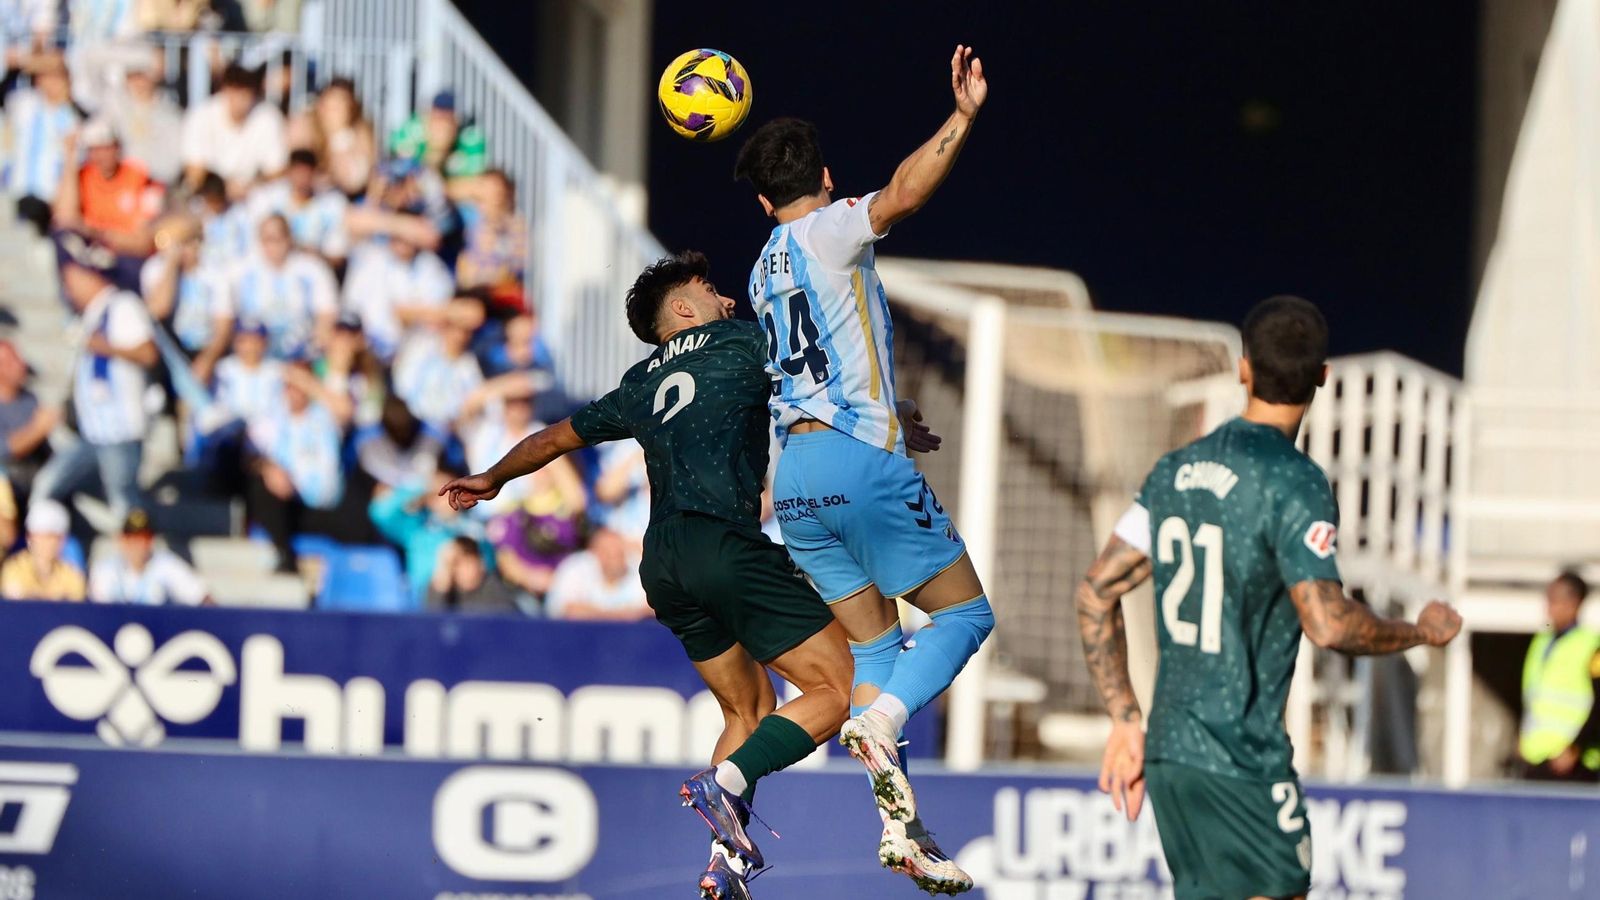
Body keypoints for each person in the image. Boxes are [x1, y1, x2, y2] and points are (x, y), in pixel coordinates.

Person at [442, 252, 861, 899]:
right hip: (724, 543)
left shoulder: (641, 383)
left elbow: (553, 438)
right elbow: (823, 378)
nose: (728, 299)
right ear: (685, 311)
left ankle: (725, 859)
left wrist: (492, 478)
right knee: (838, 686)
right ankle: (718, 785)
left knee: (748, 708)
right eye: (713, 289)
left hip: (662, 560)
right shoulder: (740, 342)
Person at [1076, 296, 1463, 900]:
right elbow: (1330, 624)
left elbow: (1097, 591)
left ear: (1243, 368)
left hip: (1172, 755)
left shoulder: (1177, 469)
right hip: (1242, 757)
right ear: (1323, 376)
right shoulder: (1294, 480)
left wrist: (1127, 719)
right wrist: (1419, 632)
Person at [734, 44, 990, 891]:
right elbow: (906, 194)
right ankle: (881, 725)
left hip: (798, 479)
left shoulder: (764, 268)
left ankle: (901, 827)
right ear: (826, 178)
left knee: (878, 650)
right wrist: (962, 117)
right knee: (964, 617)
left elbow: (816, 368)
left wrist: (892, 412)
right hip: (856, 464)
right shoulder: (831, 227)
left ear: (763, 198)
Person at [33, 242, 158, 522]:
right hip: (92, 430)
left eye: (72, 277)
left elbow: (148, 353)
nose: (68, 287)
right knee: (48, 486)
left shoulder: (123, 305)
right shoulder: (92, 314)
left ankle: (139, 561)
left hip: (119, 429)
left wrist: (107, 347)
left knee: (125, 504)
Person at [243, 361, 349, 572]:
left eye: (302, 385)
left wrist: (306, 381)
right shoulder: (272, 419)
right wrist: (268, 468)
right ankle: (285, 557)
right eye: (291, 385)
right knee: (261, 488)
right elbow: (249, 455)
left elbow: (345, 409)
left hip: (329, 508)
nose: (296, 391)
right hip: (291, 506)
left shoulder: (325, 417)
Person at [52, 119, 163, 284]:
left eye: (106, 147)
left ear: (117, 147)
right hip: (92, 258)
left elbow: (145, 240)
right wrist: (70, 158)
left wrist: (99, 234)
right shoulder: (83, 176)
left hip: (129, 260)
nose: (101, 155)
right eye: (94, 149)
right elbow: (64, 219)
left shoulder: (139, 177)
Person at [1518, 571, 1600, 782]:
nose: (1548, 607)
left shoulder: (1592, 645)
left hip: (1573, 763)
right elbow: (1535, 699)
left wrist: (1575, 747)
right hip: (1536, 757)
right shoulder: (1542, 641)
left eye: (1554, 600)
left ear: (1574, 603)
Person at [370, 464, 486, 604]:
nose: (446, 499)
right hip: (425, 604)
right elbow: (380, 513)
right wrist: (422, 484)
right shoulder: (418, 529)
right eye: (438, 494)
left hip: (471, 601)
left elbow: (488, 561)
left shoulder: (475, 529)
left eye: (452, 490)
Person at [231, 213, 338, 360]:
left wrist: (315, 348)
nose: (272, 246)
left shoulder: (312, 269)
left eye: (277, 239)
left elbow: (326, 315)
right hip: (257, 357)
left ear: (288, 238)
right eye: (267, 239)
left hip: (302, 355)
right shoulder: (243, 273)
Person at [143, 213, 233, 383]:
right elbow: (159, 309)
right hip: (169, 352)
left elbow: (223, 327)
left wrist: (207, 360)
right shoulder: (154, 269)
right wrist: (171, 264)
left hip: (205, 350)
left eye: (185, 242)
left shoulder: (216, 274)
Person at [339, 233, 454, 361]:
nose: (404, 245)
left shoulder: (430, 265)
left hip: (409, 351)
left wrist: (408, 314)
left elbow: (438, 318)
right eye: (399, 238)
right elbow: (350, 309)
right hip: (364, 349)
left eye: (409, 238)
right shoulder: (371, 257)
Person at [180, 63, 287, 197]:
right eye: (235, 88)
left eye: (246, 88)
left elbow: (276, 170)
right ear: (225, 89)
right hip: (208, 195)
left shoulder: (268, 116)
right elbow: (194, 172)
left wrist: (251, 186)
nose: (240, 97)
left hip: (252, 196)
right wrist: (224, 188)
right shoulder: (201, 115)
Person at [4, 52, 81, 236]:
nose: (50, 82)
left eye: (56, 77)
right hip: (14, 190)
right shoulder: (24, 103)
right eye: (44, 76)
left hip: (48, 197)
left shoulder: (71, 117)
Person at [247, 148, 349, 267]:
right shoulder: (267, 199)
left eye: (306, 173)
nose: (301, 179)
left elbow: (338, 256)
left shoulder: (331, 204)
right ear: (288, 173)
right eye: (297, 172)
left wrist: (315, 256)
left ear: (315, 173)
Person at [88, 507, 209, 605]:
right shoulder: (105, 569)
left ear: (151, 541)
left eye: (143, 539)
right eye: (132, 539)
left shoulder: (166, 565)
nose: (137, 545)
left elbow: (201, 596)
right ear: (122, 540)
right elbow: (97, 608)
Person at [287, 76, 376, 198]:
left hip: (344, 201)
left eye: (340, 105)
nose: (333, 110)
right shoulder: (305, 124)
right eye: (330, 104)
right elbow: (296, 169)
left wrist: (339, 138)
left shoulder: (360, 132)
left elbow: (354, 182)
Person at [102, 51, 182, 184]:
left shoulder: (171, 114)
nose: (138, 82)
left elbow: (173, 162)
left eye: (142, 75)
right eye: (132, 76)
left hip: (157, 184)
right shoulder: (115, 108)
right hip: (121, 183)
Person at [455, 168, 527, 312]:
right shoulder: (469, 221)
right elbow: (465, 273)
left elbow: (512, 271)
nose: (488, 197)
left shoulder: (516, 227)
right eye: (483, 190)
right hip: (472, 297)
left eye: (495, 192)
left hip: (504, 301)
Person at [543, 527, 648, 621]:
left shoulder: (640, 568)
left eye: (619, 552)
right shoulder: (576, 568)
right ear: (595, 553)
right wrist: (620, 616)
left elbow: (652, 609)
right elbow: (567, 610)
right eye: (608, 552)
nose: (615, 557)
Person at [0, 340, 59, 500]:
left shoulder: (29, 399)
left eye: (18, 358)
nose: (20, 365)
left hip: (36, 484)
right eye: (10, 361)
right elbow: (6, 450)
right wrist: (39, 428)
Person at [388, 89, 486, 182]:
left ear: (457, 121)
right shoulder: (412, 130)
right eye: (437, 117)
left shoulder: (470, 140)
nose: (441, 125)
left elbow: (477, 180)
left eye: (447, 119)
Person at [1, 499, 85, 601]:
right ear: (29, 537)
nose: (47, 543)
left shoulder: (72, 575)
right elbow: (13, 597)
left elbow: (76, 600)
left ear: (62, 541)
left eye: (52, 537)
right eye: (41, 537)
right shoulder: (14, 569)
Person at [426, 535, 516, 614]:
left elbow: (507, 623)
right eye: (456, 564)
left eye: (468, 563)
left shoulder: (493, 587)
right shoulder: (443, 586)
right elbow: (433, 623)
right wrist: (443, 581)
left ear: (480, 563)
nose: (463, 569)